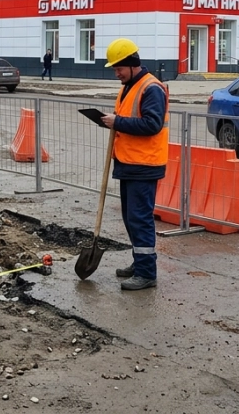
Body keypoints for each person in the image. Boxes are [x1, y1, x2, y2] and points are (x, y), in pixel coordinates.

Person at [99, 38, 167, 292]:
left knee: (140, 219)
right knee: (131, 219)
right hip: (129, 162)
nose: (116, 73)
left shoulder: (151, 88)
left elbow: (152, 124)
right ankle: (140, 262)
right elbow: (129, 117)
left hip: (144, 164)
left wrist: (117, 122)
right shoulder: (129, 86)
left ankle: (147, 273)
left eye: (119, 68)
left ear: (131, 64)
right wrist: (113, 121)